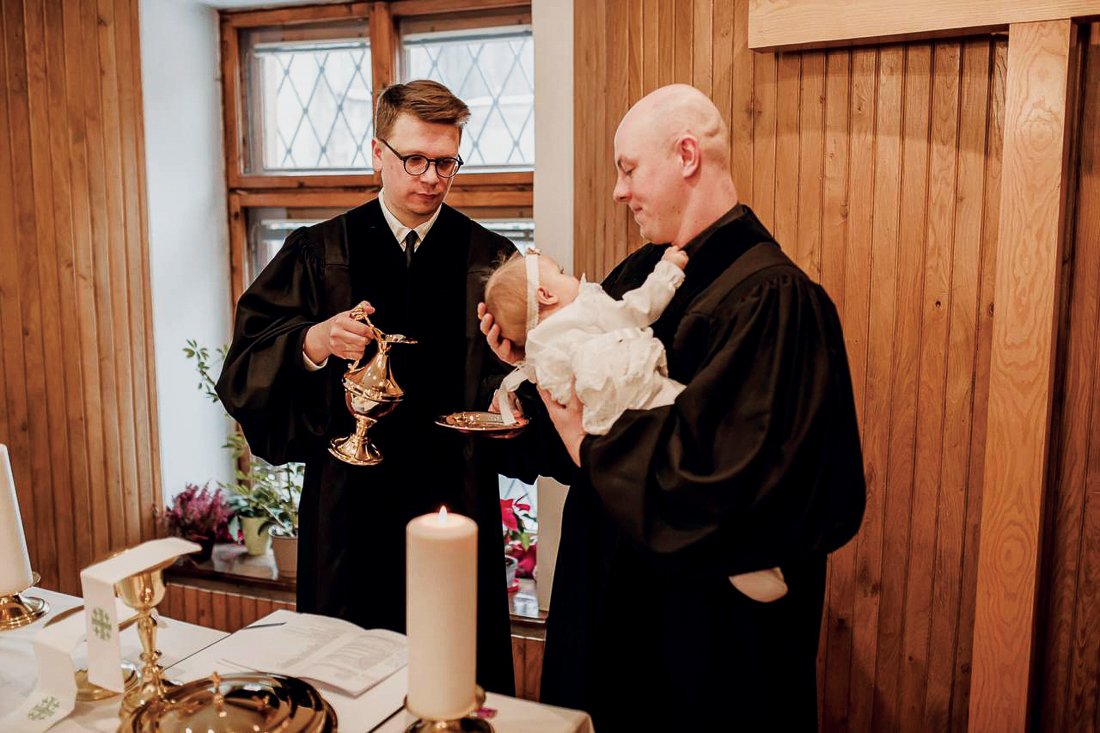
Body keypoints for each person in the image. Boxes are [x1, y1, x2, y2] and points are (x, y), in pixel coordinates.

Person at [479, 84, 866, 729]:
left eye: (629, 169)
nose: (618, 191)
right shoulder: (640, 275)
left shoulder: (773, 300)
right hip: (604, 604)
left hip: (696, 637)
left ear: (687, 155)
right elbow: (581, 435)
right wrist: (532, 369)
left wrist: (591, 446)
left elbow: (732, 487)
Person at [216, 80, 516, 695]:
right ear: (378, 152)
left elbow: (514, 370)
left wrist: (510, 392)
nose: (431, 178)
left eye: (446, 162)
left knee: (455, 683)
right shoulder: (320, 251)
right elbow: (245, 369)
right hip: (347, 512)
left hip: (456, 502)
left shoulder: (489, 259)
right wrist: (313, 341)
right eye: (415, 159)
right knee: (344, 684)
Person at [484, 247, 789, 603]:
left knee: (676, 483)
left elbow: (547, 388)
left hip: (604, 429)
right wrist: (668, 271)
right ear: (545, 294)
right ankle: (742, 546)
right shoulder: (588, 309)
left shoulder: (541, 349)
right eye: (561, 272)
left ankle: (736, 545)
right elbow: (638, 308)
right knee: (703, 445)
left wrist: (519, 367)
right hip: (640, 397)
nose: (574, 277)